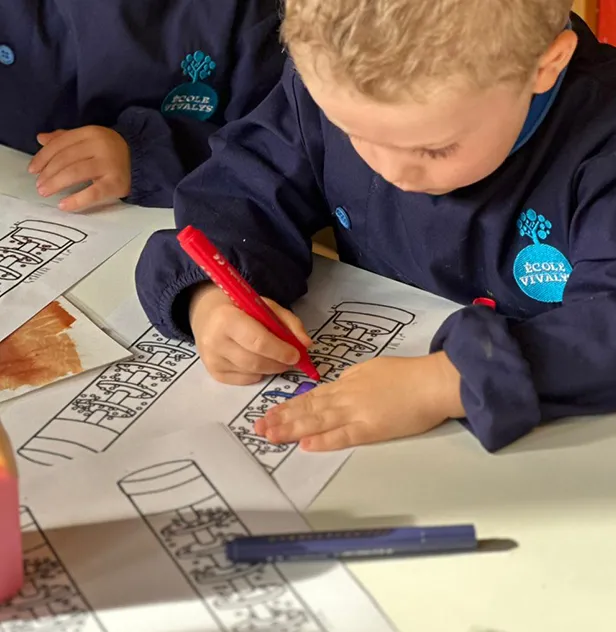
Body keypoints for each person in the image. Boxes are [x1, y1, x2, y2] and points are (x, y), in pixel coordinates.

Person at [135, 1, 616, 453]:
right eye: (351, 132)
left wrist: (445, 383)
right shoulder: (337, 79)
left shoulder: (603, 141)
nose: (392, 172)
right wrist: (211, 298)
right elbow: (238, 191)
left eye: (433, 149)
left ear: (545, 65)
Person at [0, 0, 285, 210]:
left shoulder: (253, 14)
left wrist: (144, 157)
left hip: (166, 225)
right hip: (27, 203)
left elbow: (274, 148)